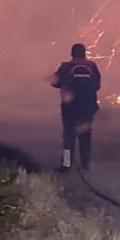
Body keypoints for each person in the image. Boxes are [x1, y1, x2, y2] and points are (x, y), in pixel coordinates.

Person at [51, 43, 101, 172]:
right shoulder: (92, 66)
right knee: (85, 136)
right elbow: (97, 85)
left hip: (70, 108)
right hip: (87, 107)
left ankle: (67, 164)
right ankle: (85, 164)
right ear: (84, 53)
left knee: (68, 137)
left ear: (72, 53)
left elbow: (55, 82)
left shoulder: (66, 67)